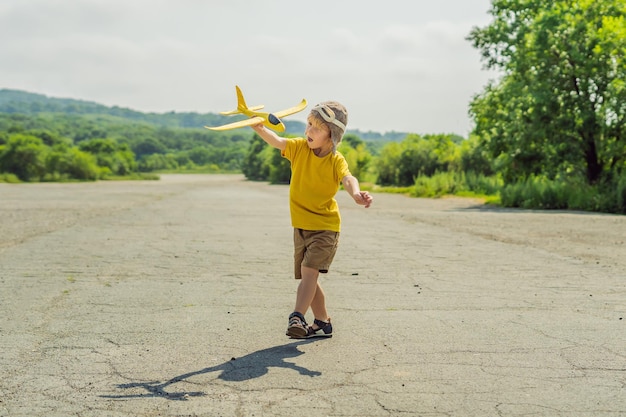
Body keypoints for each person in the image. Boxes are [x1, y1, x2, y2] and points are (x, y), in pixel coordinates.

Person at [251, 101, 373, 339]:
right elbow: (278, 141)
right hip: (301, 226)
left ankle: (297, 316)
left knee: (309, 272)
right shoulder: (298, 148)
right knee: (310, 278)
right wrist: (260, 129)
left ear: (332, 134)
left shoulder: (336, 159)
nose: (308, 131)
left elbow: (348, 178)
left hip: (325, 227)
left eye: (316, 128)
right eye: (308, 125)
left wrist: (356, 194)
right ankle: (323, 322)